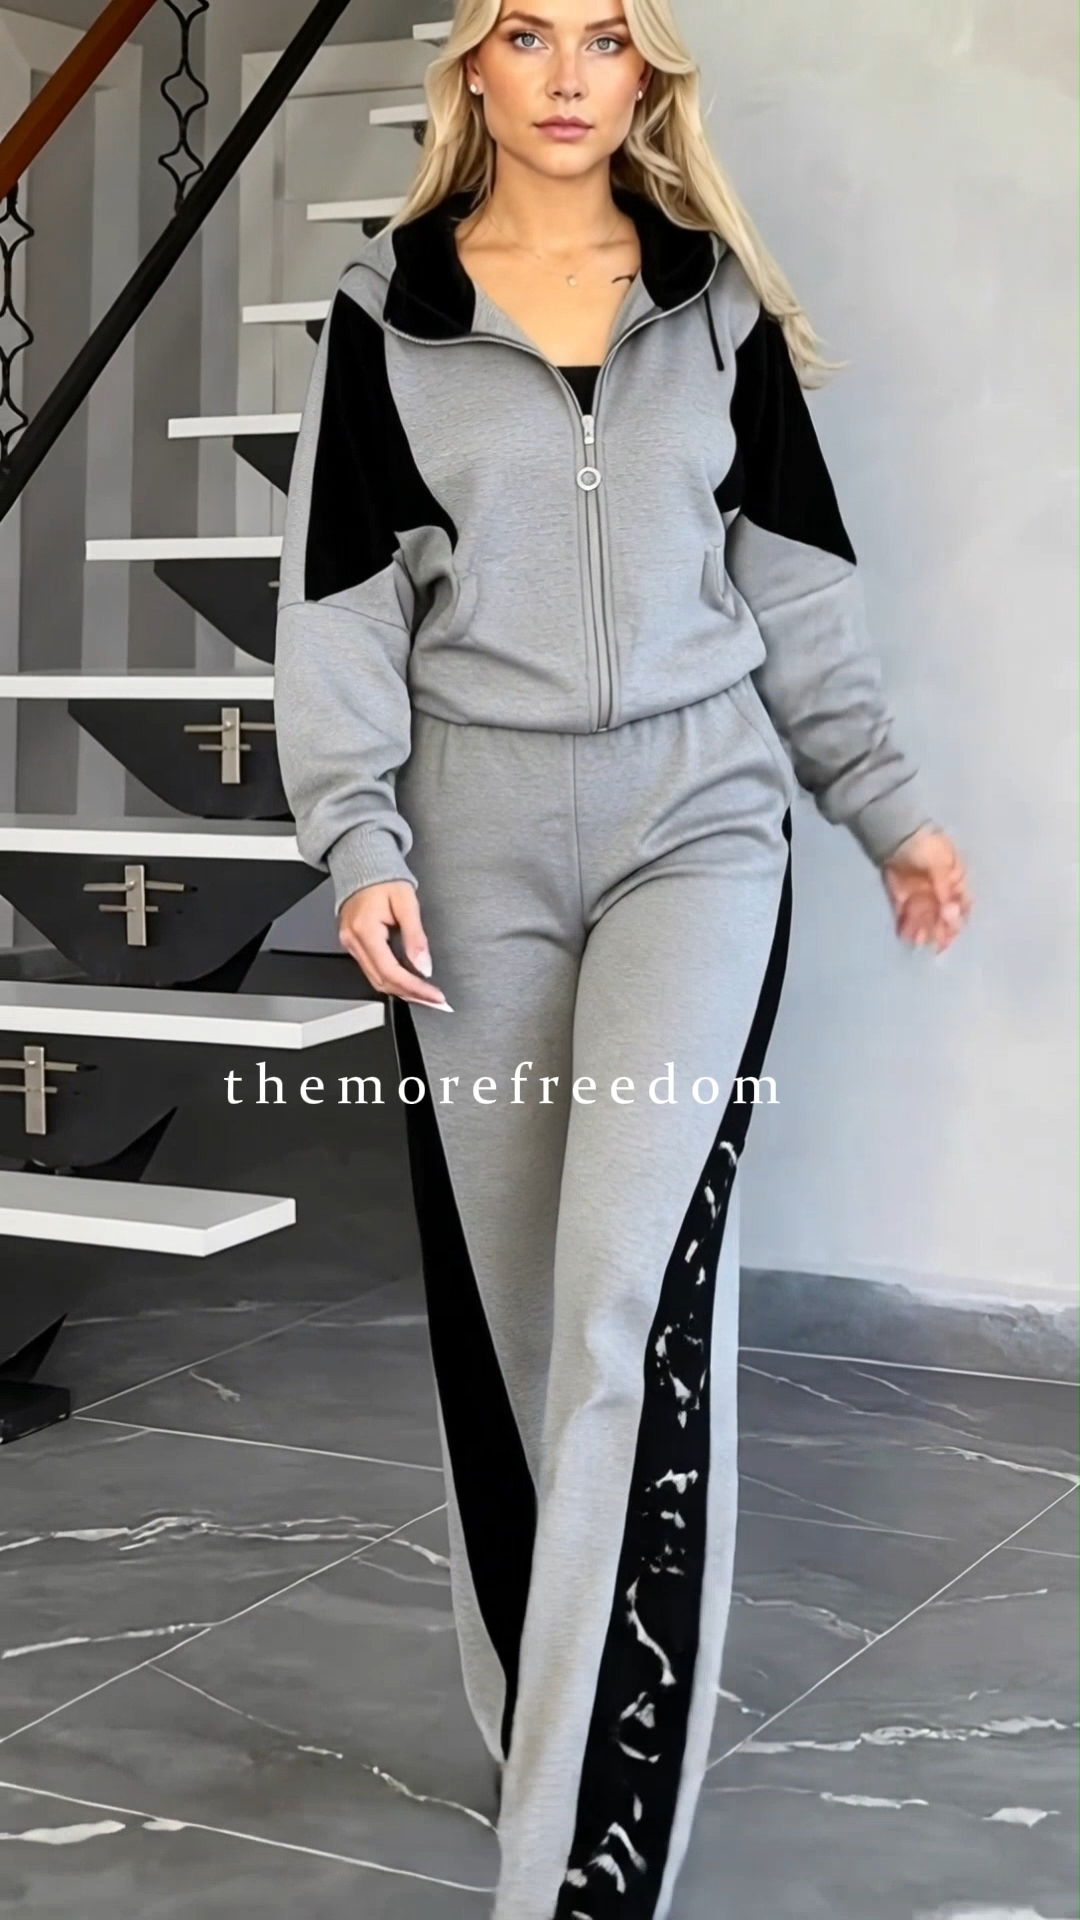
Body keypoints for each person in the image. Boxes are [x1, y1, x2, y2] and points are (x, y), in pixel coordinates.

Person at [273, 0, 973, 1912]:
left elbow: (796, 588)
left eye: (607, 36)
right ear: (475, 70)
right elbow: (338, 609)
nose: (571, 72)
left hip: (700, 827)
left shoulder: (712, 305)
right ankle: (551, 1735)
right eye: (529, 33)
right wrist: (358, 841)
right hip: (471, 850)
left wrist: (884, 805)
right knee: (518, 1340)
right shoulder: (388, 315)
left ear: (648, 72)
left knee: (621, 1322)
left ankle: (580, 1862)